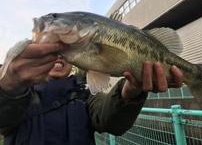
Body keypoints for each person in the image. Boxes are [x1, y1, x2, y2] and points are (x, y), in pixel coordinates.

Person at [0, 43, 183, 145]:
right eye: (51, 51)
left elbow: (110, 121)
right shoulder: (20, 96)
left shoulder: (85, 94)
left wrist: (133, 89)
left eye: (64, 52)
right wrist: (9, 85)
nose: (59, 57)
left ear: (74, 60)